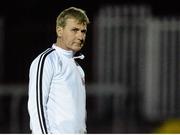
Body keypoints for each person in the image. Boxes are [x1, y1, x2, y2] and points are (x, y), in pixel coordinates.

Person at [27, 7, 90, 133]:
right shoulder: (47, 60)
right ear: (59, 31)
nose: (80, 36)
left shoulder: (78, 67)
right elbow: (37, 107)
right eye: (74, 30)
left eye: (83, 31)